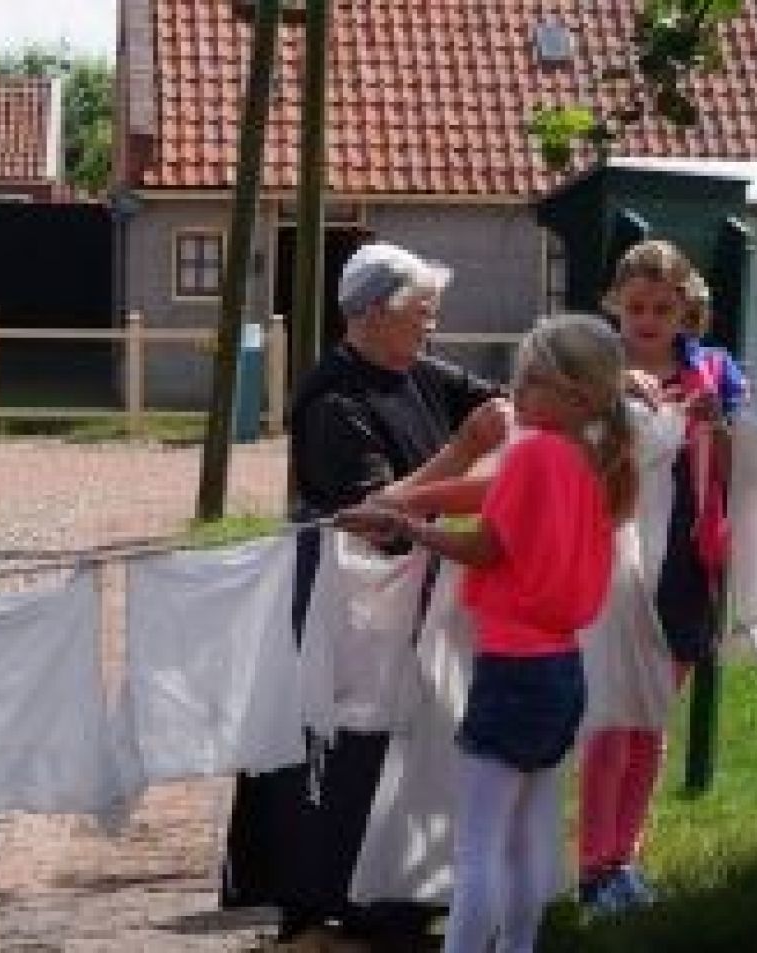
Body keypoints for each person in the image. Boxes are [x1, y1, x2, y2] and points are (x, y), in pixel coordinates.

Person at [219, 242, 504, 947]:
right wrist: (465, 453)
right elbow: (374, 517)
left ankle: (391, 892)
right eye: (419, 315)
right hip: (340, 604)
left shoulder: (416, 371)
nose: (429, 329)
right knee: (342, 746)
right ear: (373, 313)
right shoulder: (333, 399)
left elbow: (497, 399)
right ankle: (325, 902)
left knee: (402, 742)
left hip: (408, 600)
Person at [339, 313, 637, 953]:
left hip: (511, 672)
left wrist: (413, 530)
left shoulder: (533, 455)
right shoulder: (588, 459)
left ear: (574, 396)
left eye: (531, 382)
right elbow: (488, 492)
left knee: (477, 849)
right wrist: (405, 501)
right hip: (563, 671)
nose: (514, 391)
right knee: (529, 834)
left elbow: (486, 546)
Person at [578, 240, 745, 913]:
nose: (647, 320)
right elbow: (552, 446)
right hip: (611, 562)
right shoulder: (591, 369)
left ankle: (625, 857)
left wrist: (719, 425)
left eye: (662, 308)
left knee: (649, 718)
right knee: (611, 718)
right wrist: (606, 398)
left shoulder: (712, 371)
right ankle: (592, 863)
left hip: (683, 563)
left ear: (686, 311)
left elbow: (738, 476)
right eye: (635, 306)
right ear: (615, 304)